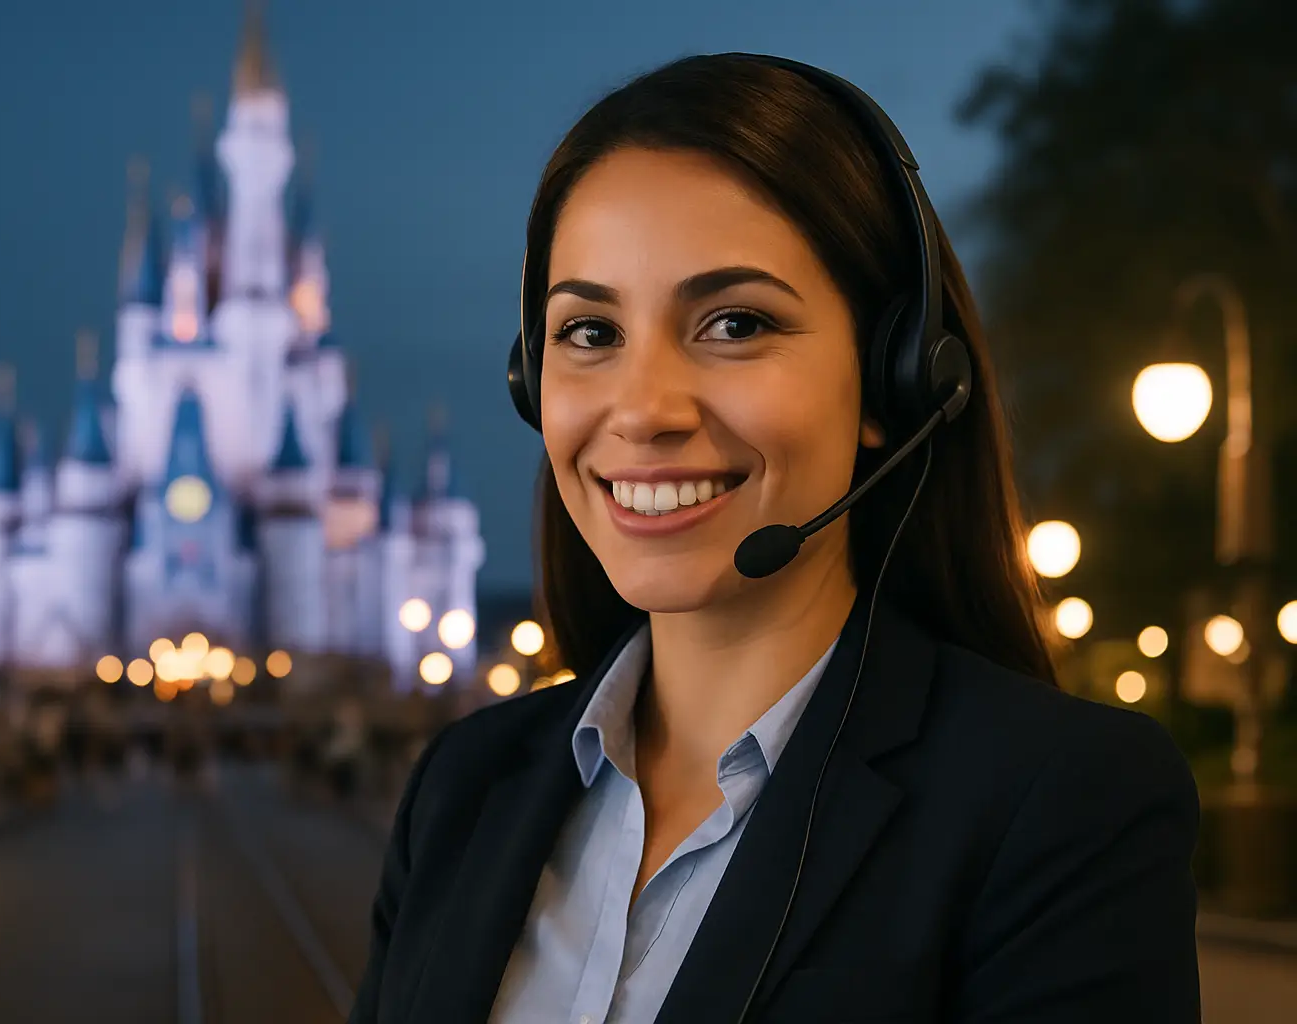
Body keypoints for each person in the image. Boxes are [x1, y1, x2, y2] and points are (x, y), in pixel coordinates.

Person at [351, 53, 1200, 1023]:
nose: (644, 409)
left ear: (892, 382)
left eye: (735, 322)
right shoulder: (464, 787)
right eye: (589, 332)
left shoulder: (1061, 805)